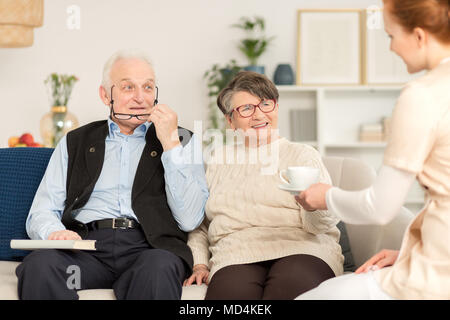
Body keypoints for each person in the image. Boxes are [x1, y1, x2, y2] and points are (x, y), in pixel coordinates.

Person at [15, 50, 209, 300]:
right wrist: (55, 232)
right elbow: (42, 211)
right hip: (85, 248)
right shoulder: (75, 141)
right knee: (39, 266)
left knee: (158, 269)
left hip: (149, 247)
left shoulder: (182, 140)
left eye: (148, 87)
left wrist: (170, 145)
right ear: (106, 95)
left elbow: (190, 219)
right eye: (128, 87)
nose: (140, 97)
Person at [296, 0, 450, 300]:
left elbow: (380, 207)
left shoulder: (423, 95)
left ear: (419, 36)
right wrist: (408, 254)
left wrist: (324, 196)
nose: (391, 48)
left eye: (391, 36)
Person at [183, 71, 344, 300]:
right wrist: (199, 263)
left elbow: (321, 225)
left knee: (291, 288)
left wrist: (313, 206)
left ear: (276, 108)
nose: (258, 115)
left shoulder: (301, 155)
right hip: (236, 254)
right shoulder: (218, 161)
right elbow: (200, 226)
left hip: (303, 247)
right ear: (230, 120)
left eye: (265, 104)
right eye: (246, 109)